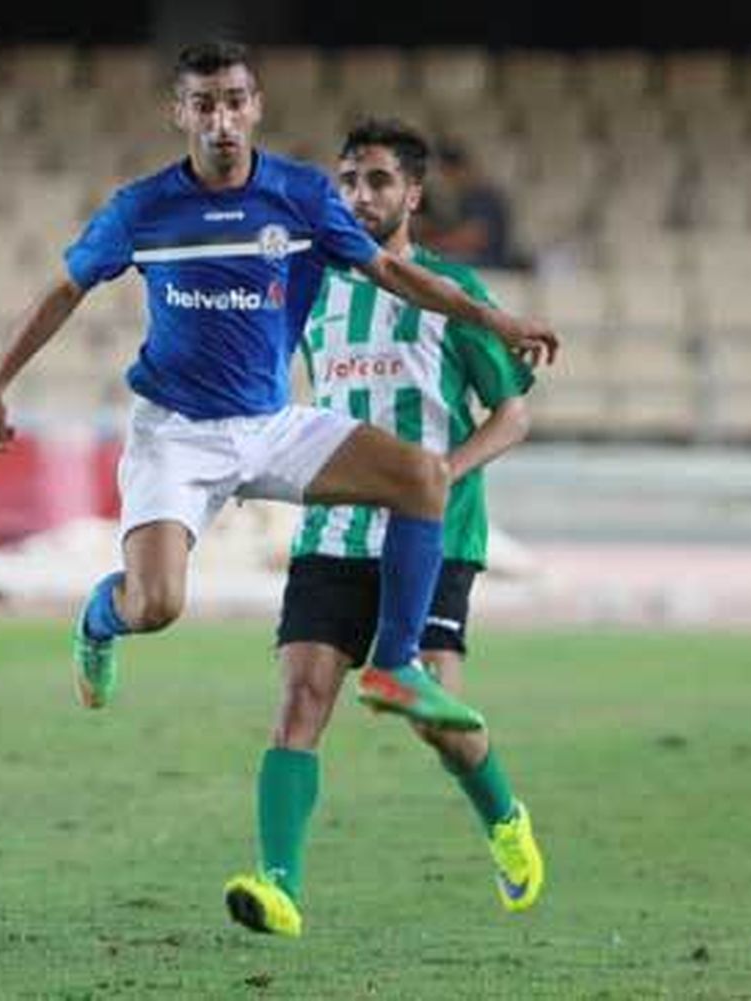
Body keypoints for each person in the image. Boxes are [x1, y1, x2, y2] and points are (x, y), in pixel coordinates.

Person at [0, 43, 557, 734]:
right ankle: (100, 619)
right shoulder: (144, 208)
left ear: (254, 107)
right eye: (204, 103)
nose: (220, 118)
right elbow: (64, 290)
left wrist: (492, 317)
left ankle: (395, 666)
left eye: (232, 101)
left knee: (423, 478)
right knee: (156, 605)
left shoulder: (302, 195)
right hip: (177, 432)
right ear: (180, 113)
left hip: (270, 423)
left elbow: (393, 272)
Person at [223, 118, 544, 937]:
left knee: (439, 721)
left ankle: (506, 820)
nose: (361, 196)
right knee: (300, 698)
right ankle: (278, 885)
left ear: (413, 194)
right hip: (332, 534)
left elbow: (513, 415)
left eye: (377, 182)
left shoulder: (448, 293)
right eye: (349, 182)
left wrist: (442, 477)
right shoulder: (313, 289)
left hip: (434, 538)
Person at [418, 138, 523, 270]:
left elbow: (474, 238)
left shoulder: (483, 194)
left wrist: (434, 244)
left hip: (491, 266)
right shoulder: (465, 197)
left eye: (447, 173)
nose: (447, 181)